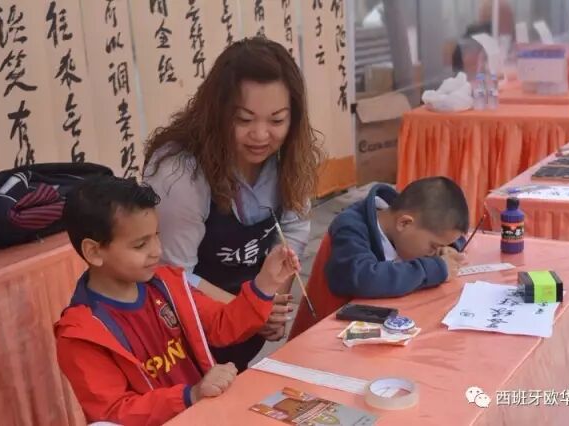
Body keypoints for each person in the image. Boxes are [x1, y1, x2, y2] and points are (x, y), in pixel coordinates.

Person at [54, 177, 300, 426]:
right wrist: (189, 396)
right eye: (140, 245)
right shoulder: (82, 334)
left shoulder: (168, 284)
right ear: (94, 252)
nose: (157, 251)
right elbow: (114, 412)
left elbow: (222, 324)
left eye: (156, 236)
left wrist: (265, 283)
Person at [143, 37, 322, 370]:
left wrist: (272, 300)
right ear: (218, 113)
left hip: (246, 331)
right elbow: (171, 274)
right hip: (186, 337)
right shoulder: (180, 173)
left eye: (277, 121)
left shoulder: (290, 158)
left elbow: (294, 230)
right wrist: (252, 309)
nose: (260, 135)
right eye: (244, 119)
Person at [290, 178, 468, 338]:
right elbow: (364, 278)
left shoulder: (408, 222)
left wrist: (449, 248)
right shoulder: (352, 226)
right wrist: (435, 269)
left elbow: (455, 235)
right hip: (327, 337)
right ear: (404, 223)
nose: (433, 253)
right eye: (433, 246)